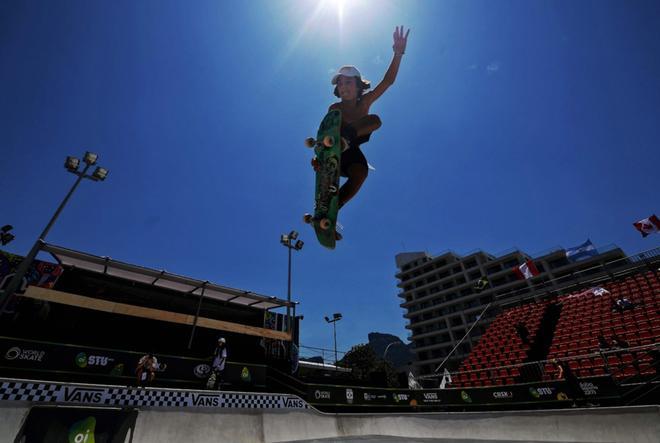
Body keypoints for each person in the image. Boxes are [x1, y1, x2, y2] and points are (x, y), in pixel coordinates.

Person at [312, 26, 410, 220]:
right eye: (340, 84)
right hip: (334, 150)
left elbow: (387, 82)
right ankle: (337, 147)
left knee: (362, 171)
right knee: (344, 128)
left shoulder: (365, 101)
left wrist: (398, 54)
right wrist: (320, 156)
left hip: (351, 148)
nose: (343, 87)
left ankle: (333, 206)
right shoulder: (335, 108)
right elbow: (324, 132)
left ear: (358, 86)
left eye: (348, 82)